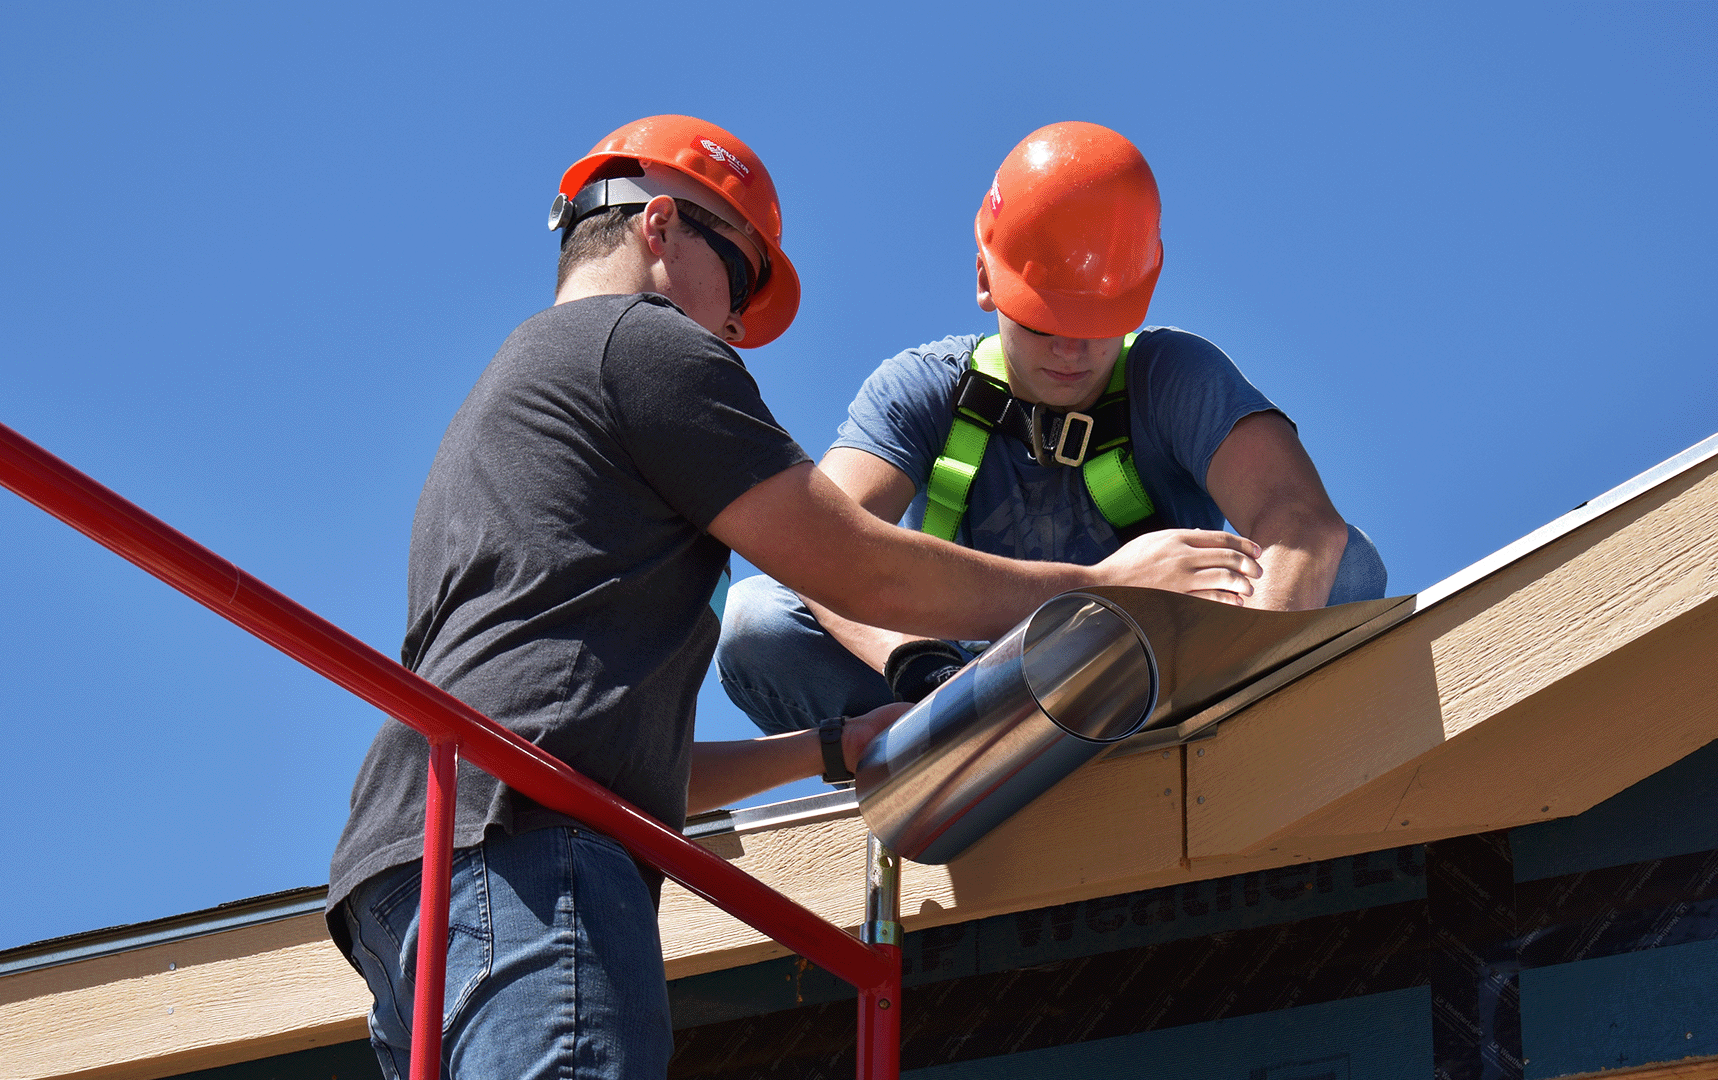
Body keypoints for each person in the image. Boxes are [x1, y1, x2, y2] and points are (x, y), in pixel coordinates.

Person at [324, 116, 1262, 1080]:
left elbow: (620, 758)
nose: (734, 327)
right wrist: (1104, 587)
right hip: (529, 855)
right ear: (660, 227)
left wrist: (827, 748)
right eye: (739, 280)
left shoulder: (509, 401)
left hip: (416, 866)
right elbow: (861, 569)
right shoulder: (641, 346)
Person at [716, 121, 1388, 734]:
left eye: (1096, 326)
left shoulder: (1174, 374)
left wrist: (1232, 696)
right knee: (757, 620)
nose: (1071, 352)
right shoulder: (922, 387)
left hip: (1156, 678)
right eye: (1043, 322)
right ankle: (936, 760)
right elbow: (818, 545)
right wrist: (925, 674)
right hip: (966, 695)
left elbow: (1301, 520)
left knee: (1344, 564)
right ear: (986, 279)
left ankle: (1196, 733)